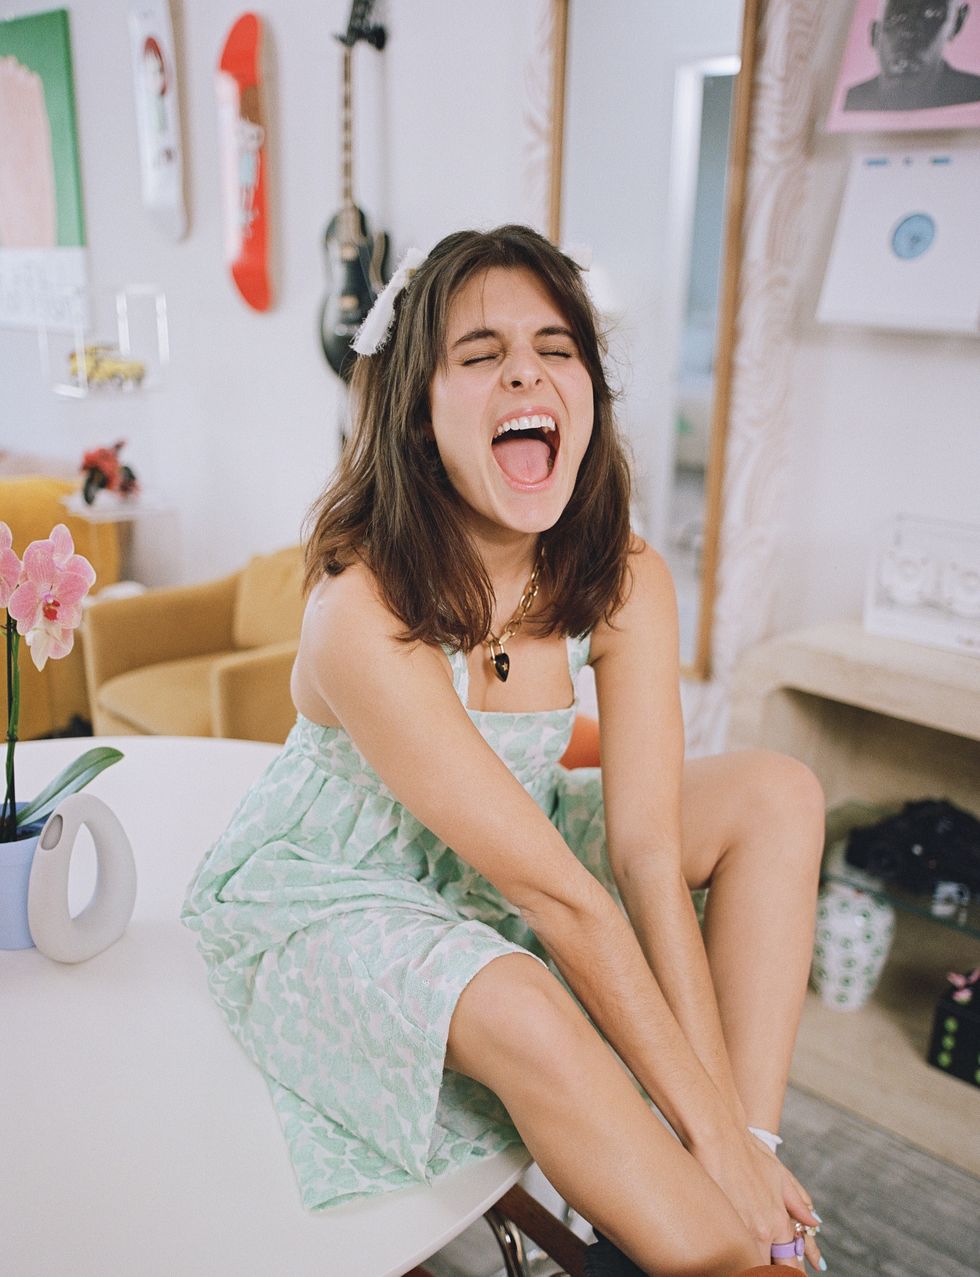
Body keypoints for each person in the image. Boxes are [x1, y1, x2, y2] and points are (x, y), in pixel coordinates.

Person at [182, 225, 826, 1276]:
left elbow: (645, 855)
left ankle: (738, 1189)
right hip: (341, 881)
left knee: (776, 791)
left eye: (554, 347)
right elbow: (562, 898)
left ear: (588, 400)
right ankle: (726, 1245)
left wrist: (728, 1132)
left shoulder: (624, 576)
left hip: (515, 858)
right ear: (420, 412)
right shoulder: (360, 610)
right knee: (524, 997)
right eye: (479, 355)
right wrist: (696, 1127)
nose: (524, 369)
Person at [845, 0, 980, 111]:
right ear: (874, 33)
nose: (909, 32)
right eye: (896, 17)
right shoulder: (851, 99)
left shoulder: (974, 92)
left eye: (931, 13)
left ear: (957, 22)